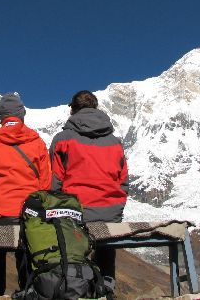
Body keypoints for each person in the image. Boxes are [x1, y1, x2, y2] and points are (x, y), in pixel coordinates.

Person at [49, 90, 128, 281]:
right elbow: (123, 183)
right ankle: (107, 287)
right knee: (106, 249)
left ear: (72, 110)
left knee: (71, 254)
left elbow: (54, 183)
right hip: (110, 214)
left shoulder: (62, 140)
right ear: (96, 108)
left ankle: (76, 287)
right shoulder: (115, 143)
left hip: (76, 215)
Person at [0, 93, 51, 296]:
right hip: (30, 216)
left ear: (2, 117)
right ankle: (27, 293)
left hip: (0, 214)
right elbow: (45, 184)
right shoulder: (37, 142)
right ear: (22, 114)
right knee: (28, 258)